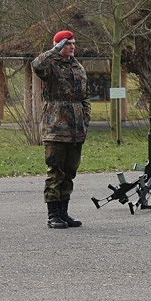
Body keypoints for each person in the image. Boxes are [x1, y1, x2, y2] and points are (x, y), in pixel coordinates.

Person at [31, 30, 91, 229]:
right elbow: (36, 65)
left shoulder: (78, 67)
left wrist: (85, 122)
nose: (72, 46)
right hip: (56, 128)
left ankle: (64, 213)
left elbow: (84, 98)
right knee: (55, 172)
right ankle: (53, 215)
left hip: (75, 130)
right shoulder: (51, 66)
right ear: (58, 46)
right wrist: (54, 50)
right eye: (67, 44)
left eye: (73, 43)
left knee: (69, 173)